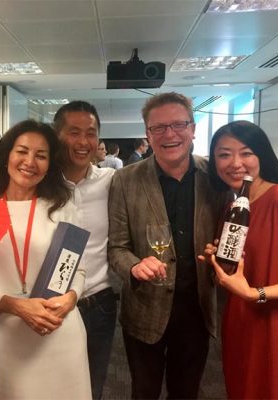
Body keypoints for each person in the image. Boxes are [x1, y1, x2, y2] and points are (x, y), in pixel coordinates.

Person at [108, 92, 225, 399]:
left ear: (193, 128)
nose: (169, 134)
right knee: (143, 392)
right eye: (158, 127)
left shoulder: (215, 177)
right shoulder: (125, 180)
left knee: (186, 392)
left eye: (178, 124)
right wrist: (134, 265)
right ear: (147, 134)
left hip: (197, 310)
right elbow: (116, 248)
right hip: (144, 308)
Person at [0, 119, 91, 399]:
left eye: (41, 155)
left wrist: (71, 299)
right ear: (7, 155)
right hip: (11, 335)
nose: (30, 162)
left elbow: (78, 269)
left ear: (50, 163)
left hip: (60, 328)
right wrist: (17, 306)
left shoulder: (62, 206)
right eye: (22, 151)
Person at [200, 120, 278, 399]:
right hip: (240, 321)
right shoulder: (233, 207)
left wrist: (256, 294)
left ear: (262, 155)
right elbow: (239, 269)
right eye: (224, 154)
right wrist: (218, 263)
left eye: (246, 153)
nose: (235, 163)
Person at [54, 101, 117, 400]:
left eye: (90, 133)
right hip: (51, 304)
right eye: (73, 132)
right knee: (52, 387)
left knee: (92, 387)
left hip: (99, 303)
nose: (83, 141)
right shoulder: (41, 185)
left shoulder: (112, 182)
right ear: (57, 136)